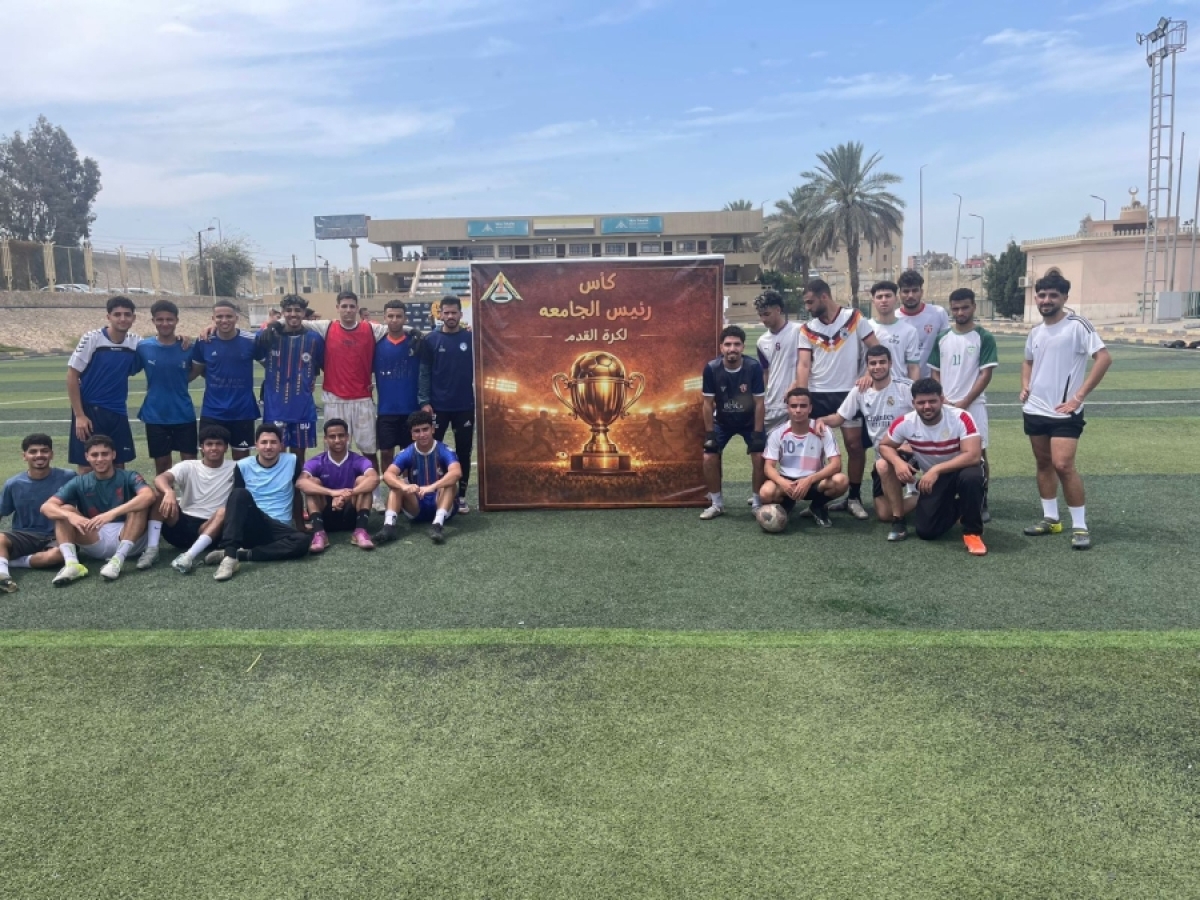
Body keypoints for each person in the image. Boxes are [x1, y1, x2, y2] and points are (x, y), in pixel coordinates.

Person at [1019, 272, 1112, 549]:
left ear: (1064, 298)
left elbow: (1104, 358)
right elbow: (1028, 361)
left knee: (1063, 466)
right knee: (1043, 464)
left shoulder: (1077, 326)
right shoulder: (1035, 332)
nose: (1046, 300)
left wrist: (1078, 397)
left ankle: (1080, 526)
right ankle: (1051, 519)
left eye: (1052, 295)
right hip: (1035, 409)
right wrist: (1025, 386)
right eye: (1042, 295)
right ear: (1036, 298)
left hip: (1064, 412)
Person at [793, 278, 878, 519]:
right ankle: (818, 500)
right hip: (818, 394)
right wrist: (802, 396)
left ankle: (853, 496)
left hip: (849, 393)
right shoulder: (807, 329)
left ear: (824, 296)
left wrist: (868, 374)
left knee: (854, 445)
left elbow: (875, 348)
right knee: (815, 449)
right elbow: (803, 364)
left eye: (810, 302)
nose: (807, 307)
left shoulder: (854, 318)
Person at [878, 378, 986, 555]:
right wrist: (898, 463)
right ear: (913, 403)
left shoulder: (961, 417)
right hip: (935, 479)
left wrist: (936, 469)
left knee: (972, 477)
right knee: (927, 531)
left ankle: (972, 533)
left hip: (960, 471)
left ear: (942, 400)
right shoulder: (905, 422)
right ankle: (959, 506)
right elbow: (884, 445)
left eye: (932, 401)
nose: (927, 406)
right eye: (921, 402)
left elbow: (973, 456)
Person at [819, 345, 917, 539]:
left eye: (882, 362)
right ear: (868, 366)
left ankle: (900, 523)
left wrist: (913, 444)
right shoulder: (860, 391)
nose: (877, 366)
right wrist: (820, 420)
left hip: (912, 451)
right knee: (882, 513)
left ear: (890, 363)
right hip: (884, 453)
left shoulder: (906, 387)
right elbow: (839, 418)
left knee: (882, 465)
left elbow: (929, 412)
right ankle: (925, 498)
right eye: (873, 363)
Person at [41, 434, 155, 584]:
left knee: (138, 504)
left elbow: (148, 496)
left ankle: (117, 561)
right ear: (87, 457)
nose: (100, 459)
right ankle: (72, 565)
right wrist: (70, 516)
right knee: (65, 510)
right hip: (94, 536)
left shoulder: (129, 476)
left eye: (105, 454)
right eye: (94, 455)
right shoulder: (79, 481)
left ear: (113, 455)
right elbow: (46, 507)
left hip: (129, 537)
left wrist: (112, 513)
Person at [929, 288, 998, 521]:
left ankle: (982, 499)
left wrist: (965, 401)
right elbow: (935, 373)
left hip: (974, 405)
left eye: (965, 307)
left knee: (979, 454)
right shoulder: (942, 338)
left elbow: (985, 374)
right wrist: (943, 400)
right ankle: (950, 496)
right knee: (948, 451)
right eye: (956, 308)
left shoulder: (984, 337)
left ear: (973, 307)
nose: (960, 312)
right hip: (946, 407)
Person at [212, 424, 312, 581]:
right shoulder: (243, 465)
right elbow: (237, 504)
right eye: (264, 442)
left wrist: (300, 524)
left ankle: (243, 554)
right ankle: (230, 555)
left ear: (281, 445)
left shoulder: (292, 461)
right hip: (254, 521)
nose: (268, 447)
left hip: (278, 527)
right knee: (239, 494)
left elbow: (296, 494)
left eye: (273, 442)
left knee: (303, 541)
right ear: (256, 444)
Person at [136, 424, 236, 574]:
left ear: (226, 447)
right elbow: (160, 478)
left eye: (218, 444)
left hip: (211, 527)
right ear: (202, 447)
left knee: (222, 511)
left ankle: (189, 556)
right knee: (159, 495)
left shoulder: (235, 467)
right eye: (209, 444)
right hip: (181, 524)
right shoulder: (188, 466)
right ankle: (152, 549)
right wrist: (169, 491)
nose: (214, 448)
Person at [302, 290, 384, 470]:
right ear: (337, 308)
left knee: (368, 450)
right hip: (335, 399)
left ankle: (373, 494)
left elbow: (397, 328)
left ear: (357, 308)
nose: (348, 310)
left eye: (352, 306)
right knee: (335, 448)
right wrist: (272, 324)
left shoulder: (370, 328)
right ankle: (335, 488)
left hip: (362, 398)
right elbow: (296, 322)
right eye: (344, 306)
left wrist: (415, 331)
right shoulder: (327, 327)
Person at [67, 294, 142, 472]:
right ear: (108, 317)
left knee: (118, 464)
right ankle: (87, 500)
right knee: (87, 465)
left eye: (127, 314)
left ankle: (119, 501)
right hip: (90, 411)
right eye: (117, 314)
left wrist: (182, 339)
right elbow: (72, 376)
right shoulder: (92, 339)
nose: (122, 318)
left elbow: (158, 346)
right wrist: (79, 415)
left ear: (133, 318)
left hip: (117, 410)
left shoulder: (136, 342)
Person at [699, 325, 766, 519]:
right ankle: (717, 503)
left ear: (743, 347)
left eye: (737, 344)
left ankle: (757, 502)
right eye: (728, 344)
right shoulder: (711, 368)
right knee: (708, 457)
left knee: (759, 456)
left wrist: (757, 433)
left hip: (749, 420)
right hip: (723, 421)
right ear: (721, 347)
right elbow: (707, 403)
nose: (732, 348)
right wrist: (710, 433)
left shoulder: (753, 368)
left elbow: (760, 403)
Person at [419, 295, 475, 514]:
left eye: (454, 312)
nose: (450, 316)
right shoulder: (430, 340)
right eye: (446, 313)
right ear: (439, 314)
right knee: (433, 451)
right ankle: (434, 494)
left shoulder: (470, 339)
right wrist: (424, 401)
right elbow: (424, 373)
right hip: (438, 407)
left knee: (463, 452)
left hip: (464, 406)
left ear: (461, 314)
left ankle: (460, 496)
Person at [759, 388, 847, 528]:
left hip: (814, 482)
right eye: (793, 406)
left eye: (803, 406)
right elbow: (768, 467)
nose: (798, 410)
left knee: (841, 481)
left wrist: (809, 480)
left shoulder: (822, 431)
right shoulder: (777, 433)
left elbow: (836, 465)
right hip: (787, 481)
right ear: (788, 408)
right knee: (765, 493)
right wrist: (783, 482)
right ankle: (787, 505)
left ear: (810, 408)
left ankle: (817, 507)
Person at [0, 434, 77, 592]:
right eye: (33, 451)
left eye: (44, 450)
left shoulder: (68, 477)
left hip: (56, 535)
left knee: (58, 555)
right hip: (24, 535)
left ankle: (13, 561)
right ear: (24, 456)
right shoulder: (13, 484)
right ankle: (3, 575)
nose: (39, 455)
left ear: (52, 454)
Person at [374, 410, 462, 545]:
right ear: (412, 434)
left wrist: (431, 487)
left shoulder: (444, 449)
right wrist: (405, 486)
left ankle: (437, 525)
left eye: (425, 429)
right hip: (416, 505)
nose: (422, 434)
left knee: (450, 483)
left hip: (440, 501)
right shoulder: (408, 452)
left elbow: (456, 472)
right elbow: (387, 474)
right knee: (396, 484)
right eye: (417, 431)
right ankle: (389, 527)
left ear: (432, 429)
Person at [191, 299, 262, 460]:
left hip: (242, 411)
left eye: (229, 316)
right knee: (210, 459)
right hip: (213, 411)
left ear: (236, 318)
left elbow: (270, 365)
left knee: (241, 461)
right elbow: (196, 371)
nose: (224, 320)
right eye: (219, 316)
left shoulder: (251, 341)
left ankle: (238, 487)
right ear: (213, 319)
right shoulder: (204, 341)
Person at [258, 294, 324, 465]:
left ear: (304, 313)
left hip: (303, 407)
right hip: (275, 407)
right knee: (275, 453)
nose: (293, 314)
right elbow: (255, 353)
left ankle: (296, 490)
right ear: (282, 313)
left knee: (298, 456)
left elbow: (321, 364)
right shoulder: (269, 336)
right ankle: (279, 490)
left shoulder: (314, 339)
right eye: (288, 310)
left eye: (297, 310)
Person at [297, 418, 380, 552]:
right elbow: (301, 482)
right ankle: (319, 534)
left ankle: (360, 531)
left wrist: (348, 494)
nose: (337, 440)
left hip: (351, 513)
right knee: (312, 483)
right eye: (332, 436)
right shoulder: (317, 461)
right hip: (326, 514)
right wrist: (332, 493)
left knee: (362, 480)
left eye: (341, 435)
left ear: (347, 437)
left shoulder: (358, 460)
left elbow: (374, 479)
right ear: (325, 439)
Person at [137, 299, 199, 475]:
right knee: (162, 466)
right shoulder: (143, 347)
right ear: (153, 321)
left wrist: (181, 380)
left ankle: (191, 503)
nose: (165, 323)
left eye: (169, 319)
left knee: (190, 465)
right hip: (156, 415)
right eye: (160, 319)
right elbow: (125, 368)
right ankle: (164, 502)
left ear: (177, 320)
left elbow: (197, 370)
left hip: (183, 413)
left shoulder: (188, 347)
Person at [374, 299, 423, 493]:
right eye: (391, 316)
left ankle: (409, 493)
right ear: (385, 318)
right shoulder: (376, 345)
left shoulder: (416, 343)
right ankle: (393, 493)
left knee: (410, 455)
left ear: (405, 318)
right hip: (386, 410)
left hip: (411, 410)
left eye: (398, 316)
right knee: (386, 453)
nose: (394, 320)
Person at [754, 289, 803, 435]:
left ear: (778, 310)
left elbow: (812, 362)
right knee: (768, 450)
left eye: (767, 314)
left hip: (798, 401)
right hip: (774, 403)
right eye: (761, 315)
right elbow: (765, 372)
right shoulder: (761, 341)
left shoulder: (799, 331)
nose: (763, 319)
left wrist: (795, 384)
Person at [896, 269, 949, 378]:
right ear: (899, 294)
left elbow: (947, 348)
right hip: (903, 383)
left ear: (922, 292)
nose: (910, 295)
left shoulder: (938, 313)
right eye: (906, 291)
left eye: (915, 290)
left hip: (931, 382)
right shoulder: (894, 318)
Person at [867, 281, 920, 382]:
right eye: (879, 297)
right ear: (873, 301)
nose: (884, 300)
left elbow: (913, 367)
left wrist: (914, 393)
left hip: (899, 388)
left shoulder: (909, 331)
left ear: (896, 299)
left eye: (888, 296)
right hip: (871, 389)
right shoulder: (866, 327)